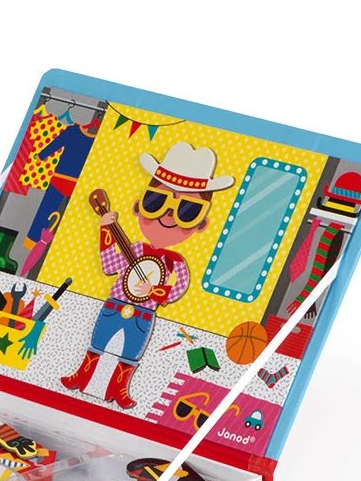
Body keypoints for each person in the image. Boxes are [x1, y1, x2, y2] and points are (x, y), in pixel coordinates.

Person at [61, 141, 233, 410]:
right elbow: (109, 265)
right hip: (114, 305)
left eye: (187, 210)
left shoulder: (175, 262)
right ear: (138, 206)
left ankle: (119, 389)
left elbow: (179, 288)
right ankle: (81, 376)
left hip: (143, 315)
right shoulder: (136, 249)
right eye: (156, 202)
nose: (169, 216)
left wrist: (153, 292)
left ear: (201, 224)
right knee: (97, 343)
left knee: (130, 353)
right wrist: (105, 229)